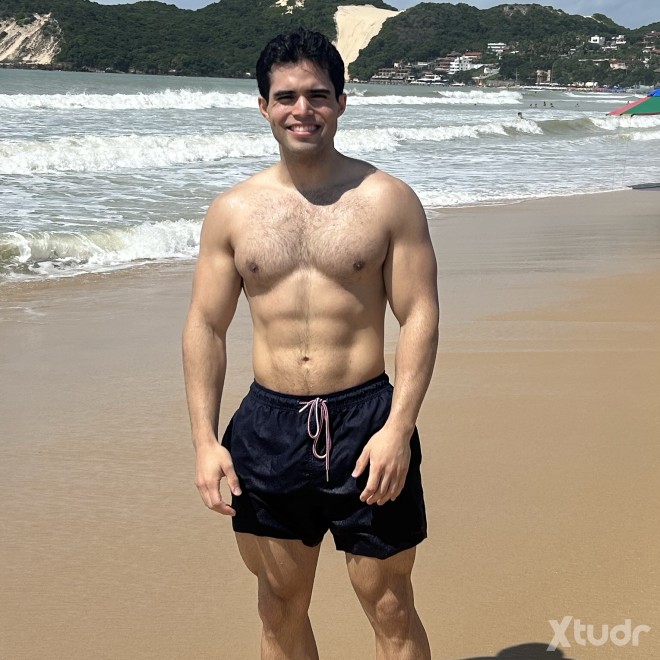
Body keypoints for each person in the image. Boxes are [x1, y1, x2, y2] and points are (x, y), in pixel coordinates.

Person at [182, 28, 438, 660]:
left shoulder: (388, 200)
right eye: (287, 97)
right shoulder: (232, 210)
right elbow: (206, 326)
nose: (303, 109)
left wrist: (398, 429)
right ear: (263, 106)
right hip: (267, 429)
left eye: (318, 95)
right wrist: (205, 443)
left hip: (366, 422)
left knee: (390, 603)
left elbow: (419, 316)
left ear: (341, 102)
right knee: (279, 604)